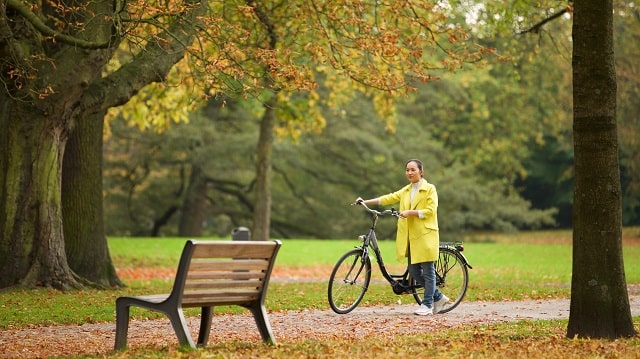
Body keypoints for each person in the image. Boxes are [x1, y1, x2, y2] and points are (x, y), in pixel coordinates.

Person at [357, 159, 449, 316]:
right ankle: (438, 297)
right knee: (414, 271)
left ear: (421, 171)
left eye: (413, 169)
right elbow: (388, 198)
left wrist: (410, 213)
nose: (409, 172)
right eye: (407, 170)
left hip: (426, 235)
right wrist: (365, 201)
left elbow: (430, 210)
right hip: (411, 237)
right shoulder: (406, 190)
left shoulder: (429, 189)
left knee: (428, 271)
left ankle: (427, 305)